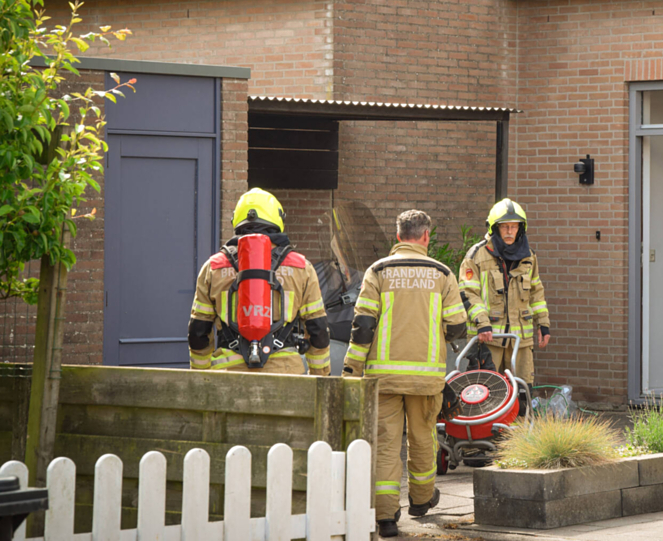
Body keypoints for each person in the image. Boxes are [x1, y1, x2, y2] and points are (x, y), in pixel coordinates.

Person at [342, 210, 467, 538]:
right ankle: (421, 501)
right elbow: (457, 326)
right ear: (425, 236)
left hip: (383, 379)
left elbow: (363, 325)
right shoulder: (442, 274)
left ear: (398, 237)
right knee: (423, 438)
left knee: (385, 443)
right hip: (425, 380)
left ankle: (385, 517)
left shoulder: (378, 271)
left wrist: (352, 370)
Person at [187, 188, 331, 375]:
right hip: (286, 376)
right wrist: (321, 378)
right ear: (277, 219)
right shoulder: (302, 267)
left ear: (236, 220)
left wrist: (199, 380)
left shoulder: (213, 267)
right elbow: (318, 331)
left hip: (228, 375)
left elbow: (198, 333)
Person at [459, 198, 550, 393]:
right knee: (486, 392)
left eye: (514, 227)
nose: (509, 232)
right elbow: (468, 293)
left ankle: (519, 424)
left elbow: (536, 292)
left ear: (521, 229)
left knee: (522, 392)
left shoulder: (529, 257)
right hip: (487, 339)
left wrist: (543, 324)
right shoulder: (476, 256)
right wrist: (482, 322)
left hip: (520, 341)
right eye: (505, 227)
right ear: (494, 228)